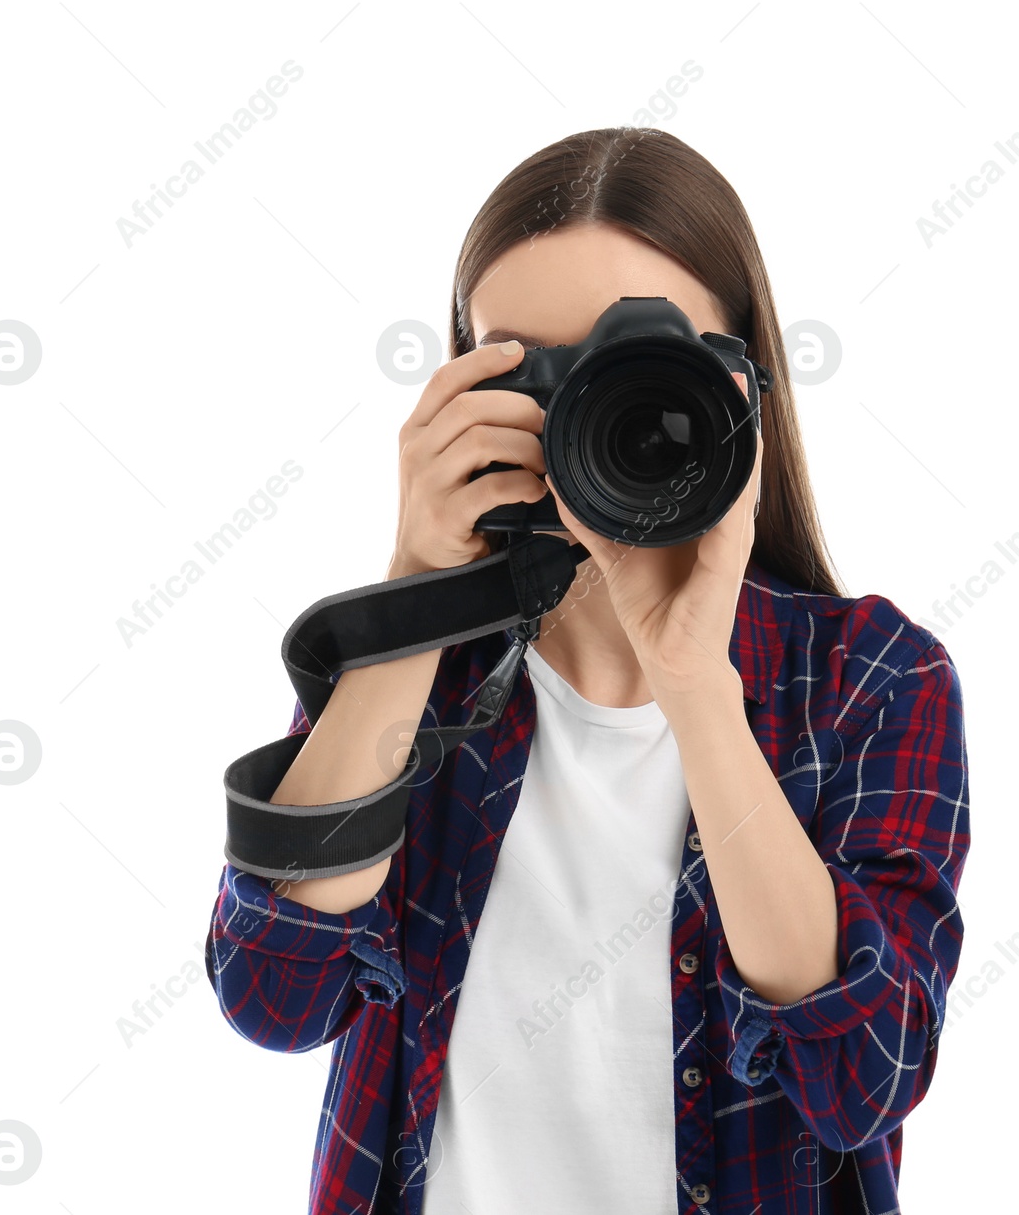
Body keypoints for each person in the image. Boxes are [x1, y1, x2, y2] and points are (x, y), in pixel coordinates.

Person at [206, 127, 970, 1214]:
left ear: (741, 379)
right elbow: (273, 994)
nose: (580, 416)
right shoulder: (415, 674)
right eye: (528, 372)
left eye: (628, 364)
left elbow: (860, 1077)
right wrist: (415, 589)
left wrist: (693, 678)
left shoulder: (870, 677)